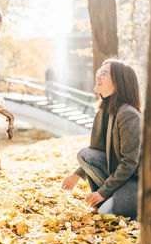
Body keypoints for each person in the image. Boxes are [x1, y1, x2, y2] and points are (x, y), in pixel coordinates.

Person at [61, 58, 142, 219]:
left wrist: (103, 192)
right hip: (122, 178)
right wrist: (76, 175)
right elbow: (95, 152)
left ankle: (114, 199)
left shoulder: (128, 114)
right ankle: (109, 197)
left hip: (137, 183)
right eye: (99, 72)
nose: (97, 76)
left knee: (105, 213)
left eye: (104, 74)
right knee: (85, 154)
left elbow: (129, 163)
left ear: (118, 83)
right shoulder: (104, 111)